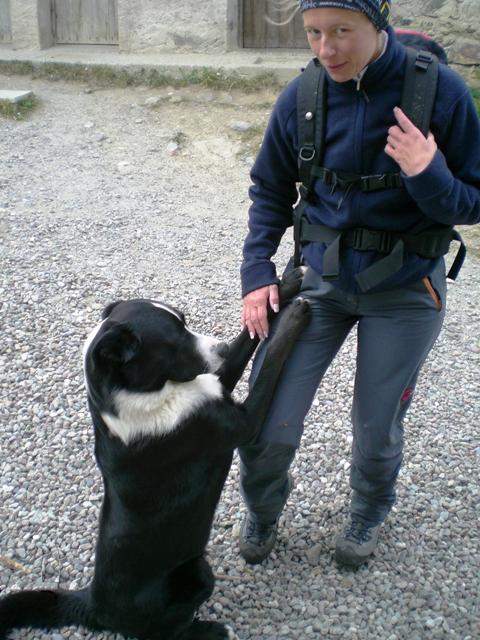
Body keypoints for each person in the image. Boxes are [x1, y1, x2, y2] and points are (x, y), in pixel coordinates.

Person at [237, 0, 480, 568]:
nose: (326, 49)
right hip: (320, 281)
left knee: (376, 429)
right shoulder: (303, 96)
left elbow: (473, 199)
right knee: (267, 420)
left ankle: (369, 508)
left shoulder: (440, 92)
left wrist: (429, 173)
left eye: (342, 31)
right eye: (314, 33)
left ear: (379, 25)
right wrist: (256, 276)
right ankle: (264, 507)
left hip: (404, 290)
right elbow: (269, 189)